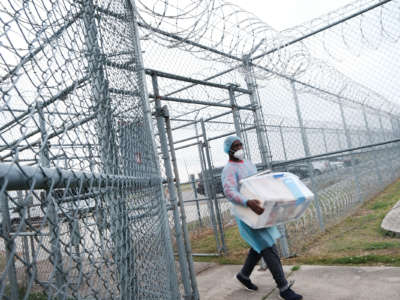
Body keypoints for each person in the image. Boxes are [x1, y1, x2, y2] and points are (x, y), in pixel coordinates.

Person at [221, 136, 302, 300]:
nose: (239, 148)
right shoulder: (229, 170)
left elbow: (257, 183)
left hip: (260, 210)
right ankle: (284, 288)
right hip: (247, 214)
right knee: (268, 247)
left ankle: (243, 275)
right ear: (228, 150)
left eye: (240, 144)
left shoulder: (249, 164)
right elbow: (230, 191)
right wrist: (247, 202)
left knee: (259, 246)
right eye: (235, 146)